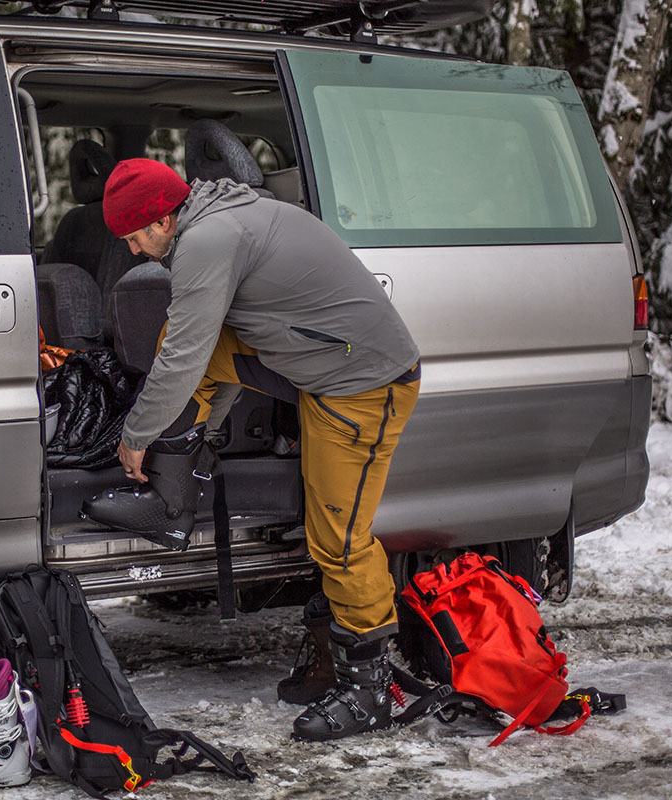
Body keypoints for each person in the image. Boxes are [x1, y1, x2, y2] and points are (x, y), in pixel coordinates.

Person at [81, 158, 421, 741]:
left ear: (163, 218)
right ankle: (174, 500)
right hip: (320, 367)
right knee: (183, 339)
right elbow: (204, 347)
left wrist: (136, 436)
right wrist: (202, 430)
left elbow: (187, 358)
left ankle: (369, 689)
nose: (135, 251)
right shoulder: (215, 219)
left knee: (337, 538)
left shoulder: (209, 240)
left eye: (135, 237)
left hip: (361, 386)